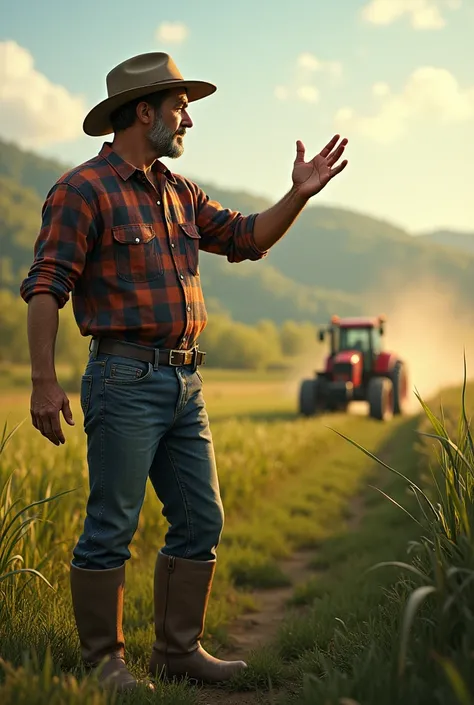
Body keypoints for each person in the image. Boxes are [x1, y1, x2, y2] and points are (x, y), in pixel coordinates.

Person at [20, 52, 348, 692]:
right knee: (112, 524)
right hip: (123, 379)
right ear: (145, 112)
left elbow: (248, 236)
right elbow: (45, 286)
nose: (188, 119)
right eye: (179, 108)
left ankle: (178, 653)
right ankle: (102, 664)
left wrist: (299, 195)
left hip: (185, 385)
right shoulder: (82, 189)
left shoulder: (180, 193)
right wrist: (42, 380)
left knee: (202, 520)